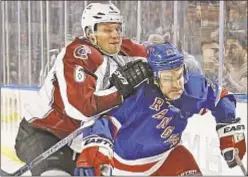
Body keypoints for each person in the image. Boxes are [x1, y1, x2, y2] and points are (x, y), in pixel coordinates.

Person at [14, 2, 152, 176]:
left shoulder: (121, 48)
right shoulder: (79, 53)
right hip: (42, 134)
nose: (115, 35)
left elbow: (156, 57)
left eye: (118, 29)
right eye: (107, 30)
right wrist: (121, 91)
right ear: (90, 33)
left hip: (80, 139)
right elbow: (80, 108)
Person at [75, 43, 246, 176]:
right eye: (168, 78)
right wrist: (95, 150)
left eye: (178, 74)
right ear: (155, 79)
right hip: (125, 168)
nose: (177, 84)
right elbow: (104, 121)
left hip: (168, 156)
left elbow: (221, 97)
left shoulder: (191, 87)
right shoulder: (137, 95)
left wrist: (228, 125)